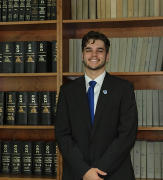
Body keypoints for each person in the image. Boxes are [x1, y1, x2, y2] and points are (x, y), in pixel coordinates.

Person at [55, 31, 138, 180]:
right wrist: (84, 171)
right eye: (89, 50)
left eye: (99, 50)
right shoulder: (67, 91)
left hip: (115, 173)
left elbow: (127, 135)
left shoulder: (124, 89)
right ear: (82, 55)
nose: (94, 55)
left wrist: (99, 170)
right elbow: (62, 135)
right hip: (77, 174)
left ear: (107, 56)